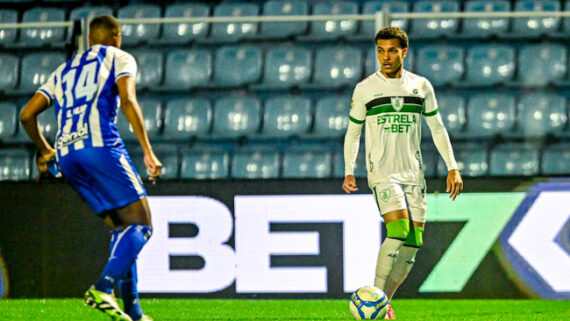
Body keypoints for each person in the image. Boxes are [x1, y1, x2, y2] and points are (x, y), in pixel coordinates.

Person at [20, 15, 161, 321]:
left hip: (68, 156)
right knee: (142, 225)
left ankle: (133, 312)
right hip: (101, 147)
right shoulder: (119, 57)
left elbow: (26, 115)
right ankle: (102, 287)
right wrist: (148, 151)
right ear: (116, 37)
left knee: (122, 230)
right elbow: (127, 100)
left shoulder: (62, 70)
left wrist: (46, 150)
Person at [342, 26, 463, 320]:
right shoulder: (366, 88)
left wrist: (453, 166)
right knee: (398, 231)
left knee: (413, 243)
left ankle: (384, 306)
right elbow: (353, 133)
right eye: (380, 50)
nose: (385, 56)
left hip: (413, 173)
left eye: (392, 50)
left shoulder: (421, 86)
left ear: (403, 52)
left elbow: (437, 127)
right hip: (382, 172)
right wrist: (349, 171)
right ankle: (373, 298)